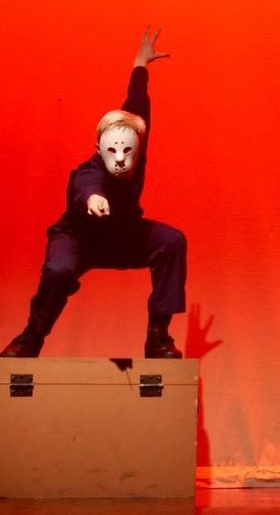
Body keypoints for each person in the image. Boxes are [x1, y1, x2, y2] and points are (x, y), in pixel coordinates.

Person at [1, 28, 187, 359]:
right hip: (79, 238)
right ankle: (31, 336)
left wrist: (140, 63)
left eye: (127, 151)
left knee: (172, 241)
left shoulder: (134, 134)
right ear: (99, 150)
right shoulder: (89, 171)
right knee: (58, 271)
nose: (119, 158)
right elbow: (85, 185)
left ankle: (158, 336)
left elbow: (137, 100)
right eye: (111, 151)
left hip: (122, 234)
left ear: (139, 148)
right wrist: (93, 198)